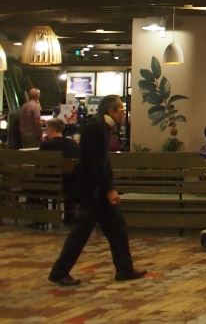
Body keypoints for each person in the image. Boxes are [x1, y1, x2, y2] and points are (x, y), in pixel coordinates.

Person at [48, 95, 146, 286]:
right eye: (121, 110)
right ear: (111, 111)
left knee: (117, 229)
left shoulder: (101, 127)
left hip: (97, 191)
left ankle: (124, 269)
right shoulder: (97, 129)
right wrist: (108, 188)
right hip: (94, 192)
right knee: (81, 233)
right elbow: (96, 163)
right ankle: (59, 272)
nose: (123, 114)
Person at [40, 118, 80, 223]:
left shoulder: (46, 145)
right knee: (68, 177)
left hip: (51, 185)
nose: (46, 132)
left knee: (32, 185)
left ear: (52, 130)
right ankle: (69, 217)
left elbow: (40, 167)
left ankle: (38, 218)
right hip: (72, 185)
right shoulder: (73, 144)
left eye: (47, 129)